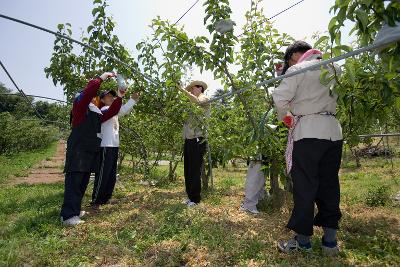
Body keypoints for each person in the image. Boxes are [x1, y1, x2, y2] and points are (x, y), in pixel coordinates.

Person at [272, 41, 343, 256]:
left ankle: (302, 242)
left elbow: (279, 98)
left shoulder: (298, 70)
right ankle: (330, 242)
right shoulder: (335, 67)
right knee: (329, 185)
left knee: (305, 186)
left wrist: (287, 116)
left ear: (298, 56)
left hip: (308, 132)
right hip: (333, 132)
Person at [60, 72, 124, 226]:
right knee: (75, 181)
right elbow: (89, 91)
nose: (94, 97)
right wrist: (101, 77)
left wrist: (120, 97)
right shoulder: (81, 108)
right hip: (79, 150)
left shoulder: (96, 112)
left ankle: (75, 210)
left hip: (89, 151)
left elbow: (113, 111)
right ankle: (67, 215)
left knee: (82, 182)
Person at [91, 88, 140, 208]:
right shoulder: (103, 109)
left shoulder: (112, 111)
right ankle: (97, 200)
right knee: (103, 174)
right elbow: (122, 110)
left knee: (111, 174)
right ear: (102, 99)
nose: (111, 98)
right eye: (108, 96)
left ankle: (106, 198)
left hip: (113, 146)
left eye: (113, 96)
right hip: (106, 146)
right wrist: (132, 100)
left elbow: (122, 111)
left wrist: (132, 101)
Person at [177, 81, 210, 206]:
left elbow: (197, 101)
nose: (190, 91)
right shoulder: (191, 104)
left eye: (192, 89)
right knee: (188, 169)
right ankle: (190, 197)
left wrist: (182, 90)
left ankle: (195, 199)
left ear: (199, 88)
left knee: (195, 169)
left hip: (198, 138)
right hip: (189, 138)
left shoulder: (204, 99)